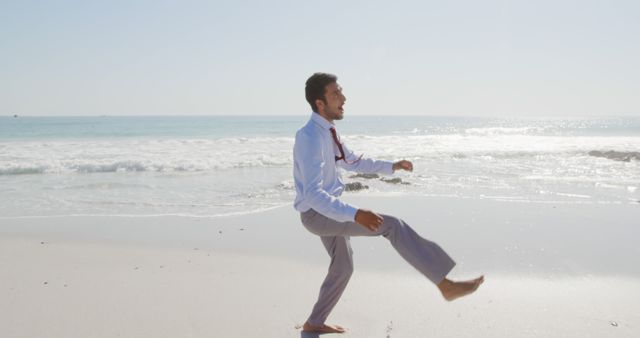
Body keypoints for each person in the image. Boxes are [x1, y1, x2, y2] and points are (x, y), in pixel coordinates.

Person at [293, 72, 484, 334]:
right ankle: (444, 284)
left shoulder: (327, 132)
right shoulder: (310, 137)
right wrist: (355, 213)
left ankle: (315, 322)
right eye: (335, 94)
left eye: (341, 91)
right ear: (320, 103)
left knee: (343, 267)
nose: (343, 98)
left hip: (329, 209)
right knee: (392, 226)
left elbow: (352, 161)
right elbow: (313, 194)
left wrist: (391, 166)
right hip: (318, 214)